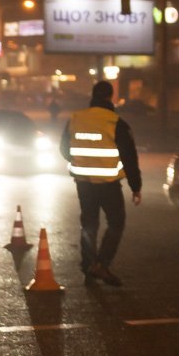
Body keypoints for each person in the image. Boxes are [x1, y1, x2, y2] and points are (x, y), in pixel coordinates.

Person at [59, 80, 142, 287]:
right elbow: (129, 157)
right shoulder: (115, 122)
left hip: (83, 182)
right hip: (108, 183)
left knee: (89, 223)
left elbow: (63, 148)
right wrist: (136, 186)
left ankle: (88, 264)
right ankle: (102, 264)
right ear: (110, 97)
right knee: (116, 222)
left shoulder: (76, 118)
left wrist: (79, 161)